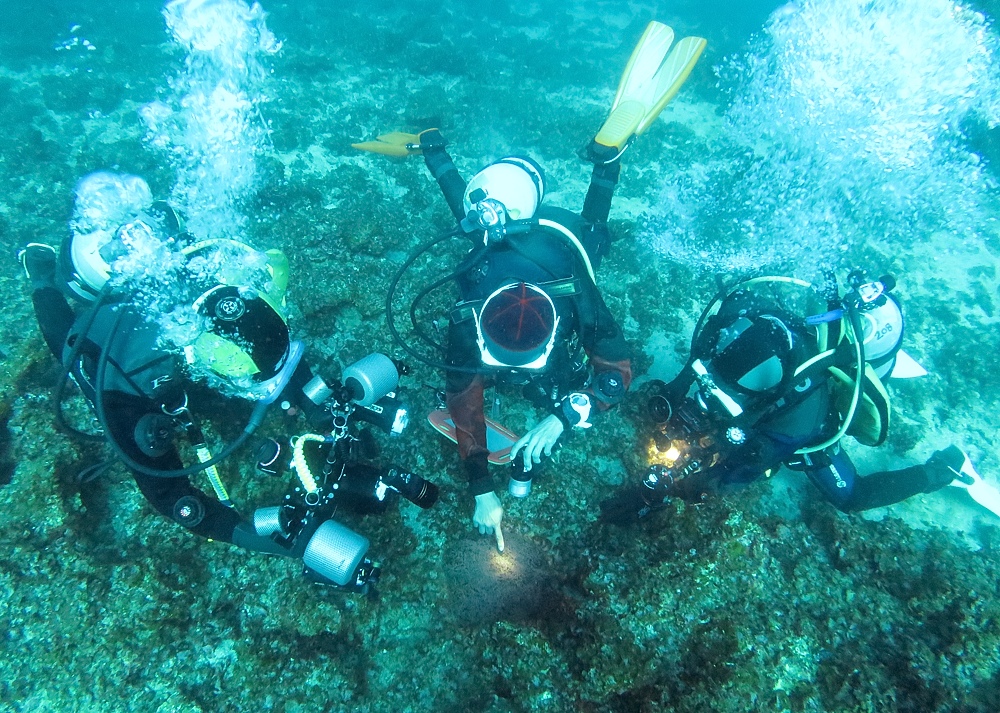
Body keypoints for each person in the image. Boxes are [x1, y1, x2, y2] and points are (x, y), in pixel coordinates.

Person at [355, 22, 707, 549]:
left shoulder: (573, 285)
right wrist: (481, 489)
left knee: (593, 239)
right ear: (480, 327)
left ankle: (606, 164)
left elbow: (615, 372)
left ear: (553, 328)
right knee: (474, 227)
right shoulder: (467, 309)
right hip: (503, 228)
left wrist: (565, 417)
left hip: (552, 236)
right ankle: (439, 153)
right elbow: (466, 403)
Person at [17, 172, 430, 592]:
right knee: (66, 341)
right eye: (253, 385)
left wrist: (321, 408)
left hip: (185, 301)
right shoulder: (120, 379)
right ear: (197, 357)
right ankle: (41, 276)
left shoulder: (221, 276)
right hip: (124, 351)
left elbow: (278, 357)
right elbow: (175, 501)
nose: (265, 393)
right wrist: (275, 543)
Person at [599, 271, 985, 524]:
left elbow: (730, 475)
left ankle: (945, 470)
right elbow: (703, 362)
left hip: (805, 417)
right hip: (813, 352)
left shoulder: (799, 417)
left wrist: (660, 491)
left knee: (851, 496)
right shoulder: (746, 329)